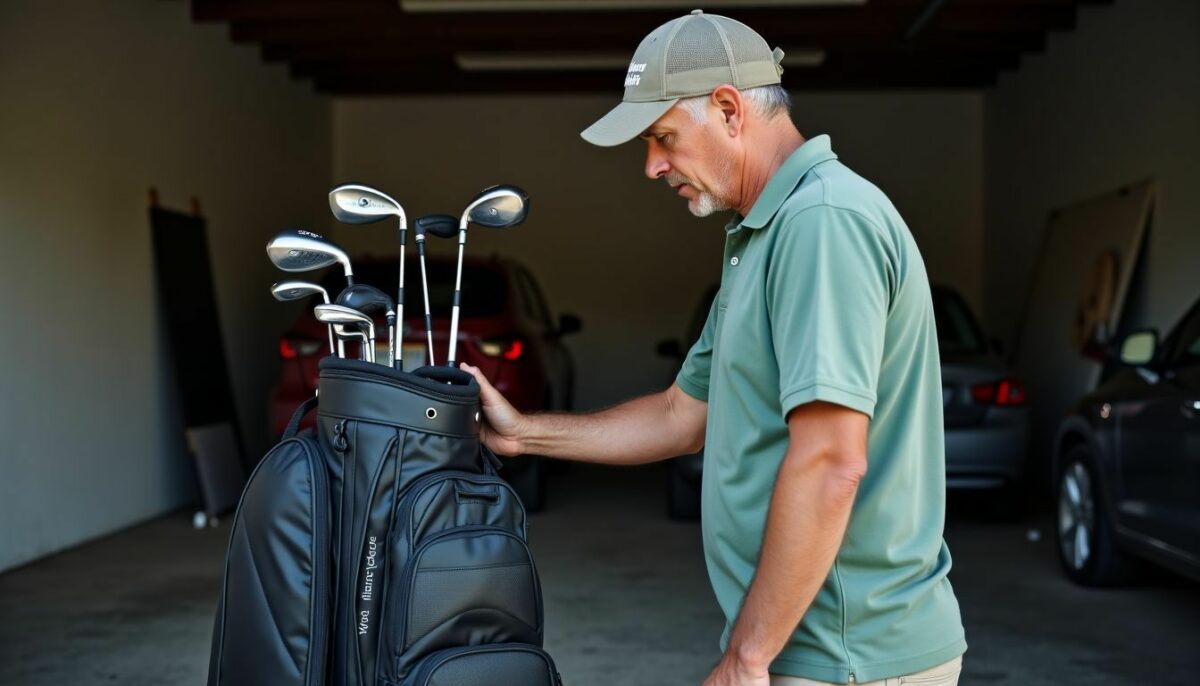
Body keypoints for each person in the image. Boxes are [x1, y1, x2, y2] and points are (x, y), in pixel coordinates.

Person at [459, 9, 965, 686]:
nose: (652, 165)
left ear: (729, 109)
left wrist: (747, 657)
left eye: (663, 137)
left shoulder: (821, 224)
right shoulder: (766, 233)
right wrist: (527, 436)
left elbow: (829, 462)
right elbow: (681, 415)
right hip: (810, 647)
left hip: (849, 655)